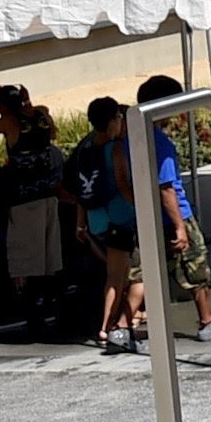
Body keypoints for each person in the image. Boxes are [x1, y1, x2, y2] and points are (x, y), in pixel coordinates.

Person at [131, 75, 211, 342]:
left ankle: (120, 325)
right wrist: (180, 224)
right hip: (176, 215)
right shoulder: (161, 143)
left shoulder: (132, 137)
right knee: (196, 267)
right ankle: (206, 321)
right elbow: (166, 187)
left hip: (146, 215)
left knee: (144, 275)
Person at [0, 84, 65, 311]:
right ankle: (52, 299)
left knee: (24, 254)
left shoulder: (9, 122)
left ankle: (29, 303)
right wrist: (29, 103)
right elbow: (52, 133)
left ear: (2, 106)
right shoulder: (41, 114)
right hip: (48, 193)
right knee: (49, 250)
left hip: (23, 197)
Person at [65, 97, 141, 352]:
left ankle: (112, 323)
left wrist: (80, 223)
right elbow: (122, 183)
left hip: (97, 219)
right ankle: (107, 327)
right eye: (119, 117)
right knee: (117, 277)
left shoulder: (85, 149)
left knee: (116, 274)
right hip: (120, 216)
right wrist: (142, 208)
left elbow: (80, 190)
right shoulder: (115, 149)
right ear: (112, 122)